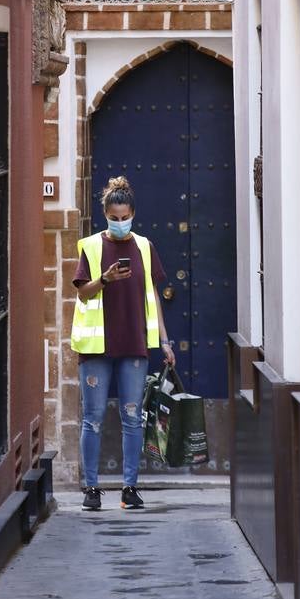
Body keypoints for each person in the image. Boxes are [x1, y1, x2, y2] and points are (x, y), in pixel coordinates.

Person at [71, 175, 175, 512]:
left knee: (133, 416)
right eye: (113, 218)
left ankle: (130, 487)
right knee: (93, 418)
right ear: (105, 215)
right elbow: (82, 291)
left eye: (124, 217)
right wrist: (105, 278)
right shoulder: (90, 246)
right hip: (96, 348)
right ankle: (91, 488)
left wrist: (164, 340)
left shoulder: (145, 246)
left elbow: (154, 296)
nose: (119, 223)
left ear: (133, 213)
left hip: (133, 344)